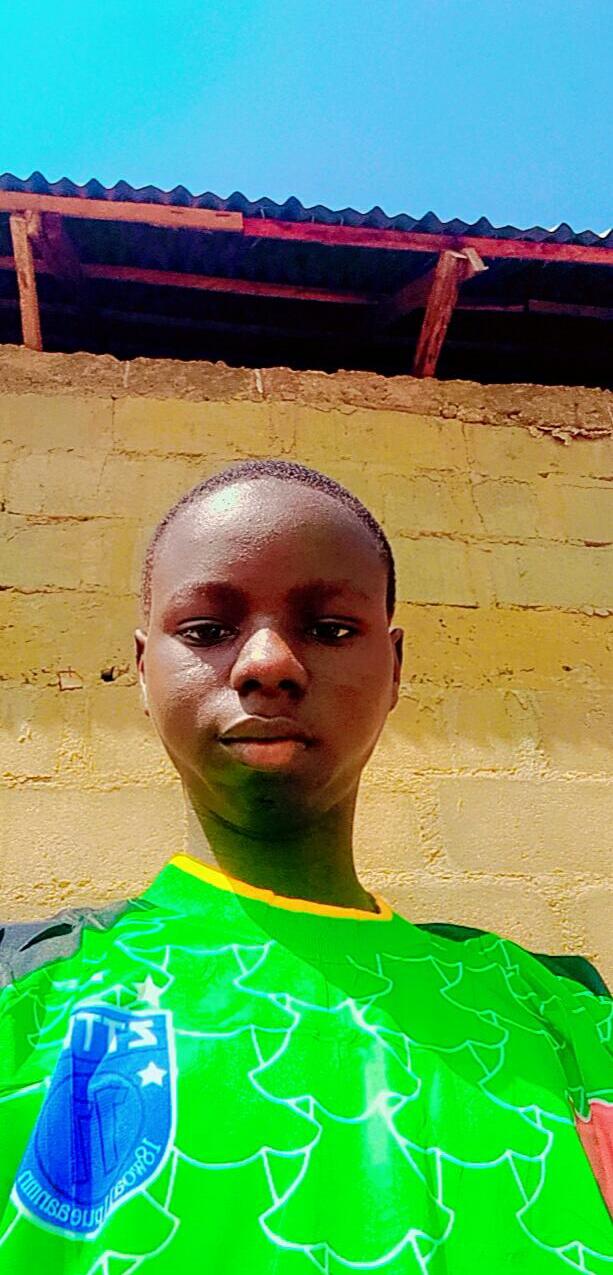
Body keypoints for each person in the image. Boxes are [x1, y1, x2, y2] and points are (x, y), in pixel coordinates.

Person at [1, 457, 611, 1273]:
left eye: (328, 628)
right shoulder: (25, 989)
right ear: (143, 670)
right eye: (206, 630)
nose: (267, 662)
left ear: (394, 669)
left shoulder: (561, 1012)